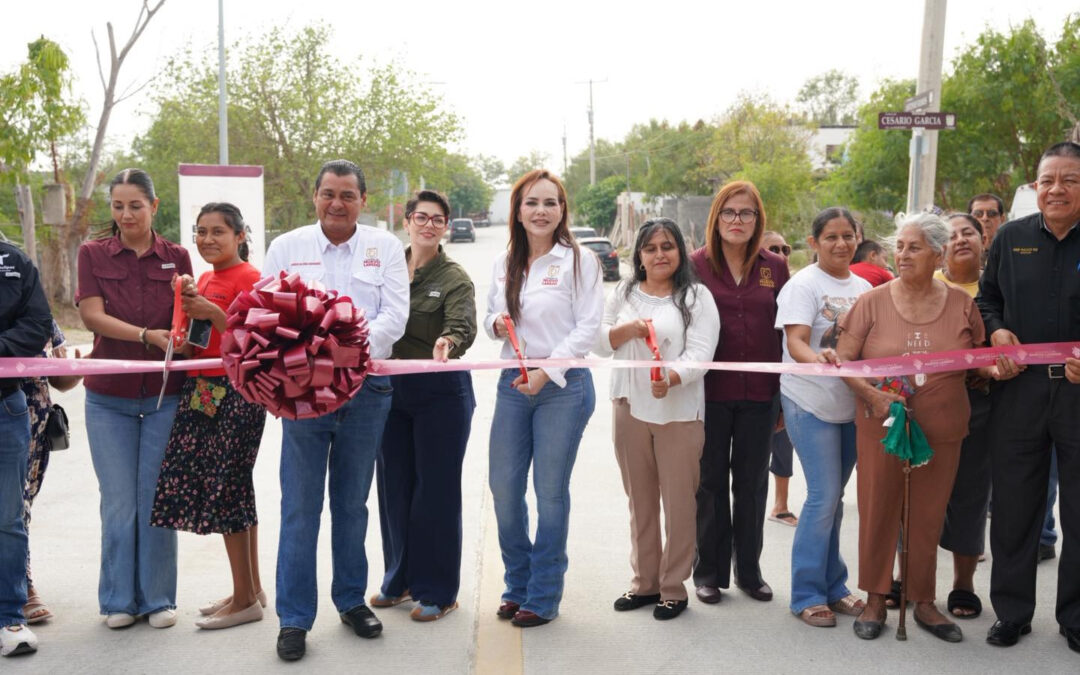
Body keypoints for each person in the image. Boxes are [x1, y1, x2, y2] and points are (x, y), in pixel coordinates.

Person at [836, 212, 1010, 643]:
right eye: (900, 246)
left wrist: (997, 368)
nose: (903, 254)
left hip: (943, 424)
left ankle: (925, 601)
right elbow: (843, 361)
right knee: (878, 509)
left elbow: (979, 359)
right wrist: (873, 396)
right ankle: (876, 597)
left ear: (937, 252)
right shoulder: (872, 301)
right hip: (884, 422)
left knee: (928, 515)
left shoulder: (960, 303)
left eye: (914, 247)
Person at [262, 160, 409, 661]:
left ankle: (350, 601)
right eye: (328, 193)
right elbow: (267, 312)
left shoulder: (385, 247)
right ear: (315, 196)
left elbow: (395, 315)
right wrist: (317, 361)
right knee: (300, 508)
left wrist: (344, 353)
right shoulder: (287, 248)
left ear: (362, 200)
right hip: (302, 395)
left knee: (351, 504)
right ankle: (294, 619)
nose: (337, 203)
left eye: (347, 195)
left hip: (366, 392)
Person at [76, 168, 193, 630]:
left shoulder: (177, 256)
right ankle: (118, 600)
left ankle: (159, 599)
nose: (126, 215)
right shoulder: (92, 253)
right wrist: (147, 336)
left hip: (165, 396)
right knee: (120, 502)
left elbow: (186, 318)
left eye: (135, 206)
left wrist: (182, 339)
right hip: (109, 400)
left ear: (154, 206)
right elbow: (91, 316)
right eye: (118, 206)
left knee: (156, 499)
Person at [485, 169, 602, 627]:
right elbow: (493, 311)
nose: (541, 211)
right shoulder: (504, 260)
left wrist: (546, 371)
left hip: (562, 387)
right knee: (504, 489)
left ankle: (544, 593)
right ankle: (518, 583)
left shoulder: (579, 261)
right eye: (532, 202)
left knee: (549, 493)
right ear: (518, 209)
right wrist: (495, 322)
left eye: (550, 203)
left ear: (562, 210)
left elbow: (588, 326)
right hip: (513, 383)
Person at [979, 142, 1080, 653]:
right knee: (1016, 508)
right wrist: (995, 332)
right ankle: (1012, 613)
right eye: (1047, 180)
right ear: (1035, 186)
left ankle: (1075, 618)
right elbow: (987, 297)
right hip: (1019, 392)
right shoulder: (1011, 238)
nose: (1056, 189)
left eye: (1069, 180)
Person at [150, 203, 267, 630]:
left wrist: (214, 313)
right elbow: (196, 343)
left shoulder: (252, 279)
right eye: (201, 232)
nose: (207, 240)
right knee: (235, 489)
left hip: (236, 392)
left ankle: (244, 601)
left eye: (218, 231)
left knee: (228, 490)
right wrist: (182, 318)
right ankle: (248, 590)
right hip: (202, 389)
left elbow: (258, 341)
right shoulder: (203, 278)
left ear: (240, 236)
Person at [596, 218, 720, 621]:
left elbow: (701, 352)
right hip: (628, 407)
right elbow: (597, 339)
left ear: (680, 252)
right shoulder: (624, 292)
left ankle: (673, 587)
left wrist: (672, 377)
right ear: (640, 256)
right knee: (641, 501)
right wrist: (624, 330)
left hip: (679, 413)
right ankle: (644, 583)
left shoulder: (696, 297)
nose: (660, 254)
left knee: (679, 502)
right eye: (650, 248)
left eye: (668, 246)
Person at [372, 190, 477, 622]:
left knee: (434, 493)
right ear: (408, 220)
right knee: (394, 488)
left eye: (438, 219)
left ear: (446, 227)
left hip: (440, 392)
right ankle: (400, 580)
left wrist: (448, 341)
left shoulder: (454, 277)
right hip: (391, 390)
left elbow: (463, 325)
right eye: (422, 217)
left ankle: (438, 590)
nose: (429, 225)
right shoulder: (386, 268)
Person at [691, 180, 789, 605]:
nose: (737, 220)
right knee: (709, 483)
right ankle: (708, 572)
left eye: (746, 213)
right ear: (716, 217)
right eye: (729, 212)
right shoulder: (694, 265)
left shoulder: (775, 267)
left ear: (758, 219)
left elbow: (787, 333)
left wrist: (784, 395)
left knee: (750, 485)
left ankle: (749, 570)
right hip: (707, 394)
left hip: (760, 394)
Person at [775, 208, 871, 627]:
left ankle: (836, 587)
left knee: (835, 499)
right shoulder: (803, 285)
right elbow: (795, 341)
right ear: (814, 243)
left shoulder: (866, 287)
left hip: (852, 406)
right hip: (808, 400)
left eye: (848, 235)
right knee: (823, 495)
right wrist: (819, 359)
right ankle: (807, 593)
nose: (841, 244)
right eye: (831, 236)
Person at [934, 213, 992, 620]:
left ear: (983, 239)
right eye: (951, 235)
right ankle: (906, 578)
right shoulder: (926, 288)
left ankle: (963, 584)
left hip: (982, 406)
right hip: (927, 404)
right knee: (915, 492)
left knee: (970, 495)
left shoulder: (997, 289)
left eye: (968, 232)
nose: (960, 240)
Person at [0, 240, 53, 658]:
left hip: (7, 405)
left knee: (8, 517)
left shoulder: (15, 261)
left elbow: (37, 324)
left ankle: (9, 618)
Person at [20, 322, 81, 626]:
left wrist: (78, 367)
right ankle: (22, 586)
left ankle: (20, 582)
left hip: (33, 428)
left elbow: (61, 377)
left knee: (19, 510)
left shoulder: (35, 310)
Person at [759, 231, 798, 528]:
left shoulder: (791, 284)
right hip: (746, 376)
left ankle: (780, 504)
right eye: (774, 248)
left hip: (784, 373)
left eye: (785, 248)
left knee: (782, 441)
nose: (781, 254)